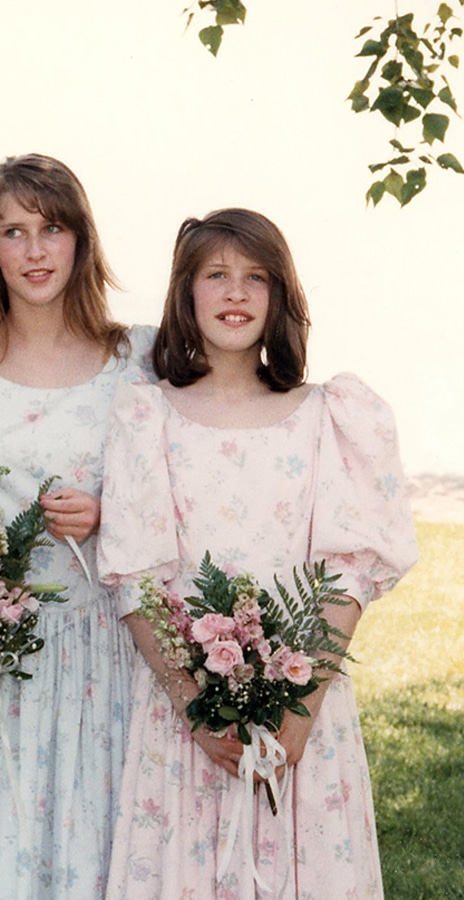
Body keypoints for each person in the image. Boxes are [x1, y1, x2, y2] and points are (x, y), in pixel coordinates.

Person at [97, 208, 418, 898]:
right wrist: (196, 710)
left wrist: (298, 714)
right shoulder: (146, 417)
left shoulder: (328, 415)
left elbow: (347, 574)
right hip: (187, 716)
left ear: (281, 298)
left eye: (255, 278)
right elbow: (135, 583)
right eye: (216, 276)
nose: (235, 293)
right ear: (187, 295)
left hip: (305, 705)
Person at [0, 154, 153, 899]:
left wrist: (110, 516)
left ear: (81, 240)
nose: (36, 251)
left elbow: (179, 493)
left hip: (103, 649)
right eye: (14, 232)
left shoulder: (134, 358)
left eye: (52, 228)